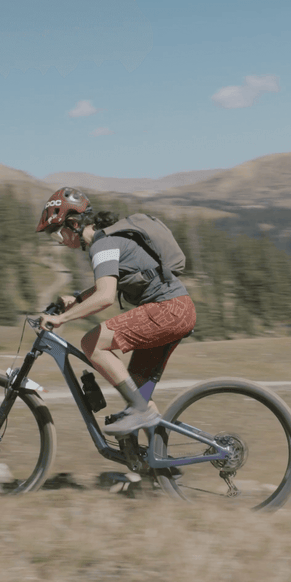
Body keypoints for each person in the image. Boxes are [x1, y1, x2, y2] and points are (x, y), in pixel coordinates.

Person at [35, 187, 197, 436]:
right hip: (178, 309)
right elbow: (107, 283)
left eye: (57, 235)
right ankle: (157, 455)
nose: (61, 242)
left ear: (74, 224)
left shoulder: (103, 245)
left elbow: (105, 296)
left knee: (91, 343)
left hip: (168, 310)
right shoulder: (108, 241)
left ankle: (141, 411)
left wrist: (61, 319)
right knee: (136, 389)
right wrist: (77, 300)